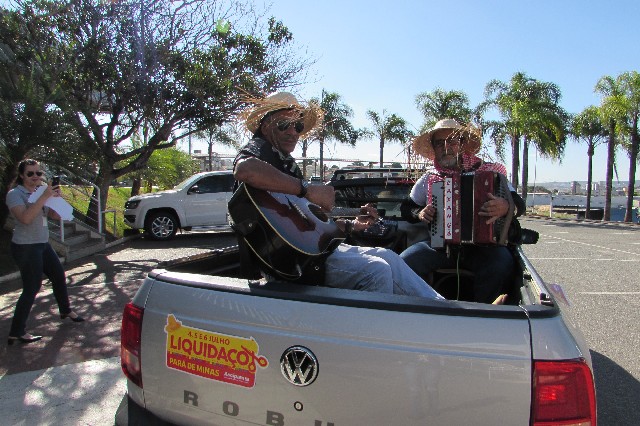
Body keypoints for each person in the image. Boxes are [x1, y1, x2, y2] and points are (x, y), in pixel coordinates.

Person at [232, 92, 443, 299]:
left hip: (311, 253)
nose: (293, 132)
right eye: (283, 124)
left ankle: (443, 311)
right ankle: (372, 333)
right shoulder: (258, 149)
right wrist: (308, 189)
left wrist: (352, 225)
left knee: (388, 256)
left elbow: (310, 224)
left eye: (297, 126)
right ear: (266, 125)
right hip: (293, 263)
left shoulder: (286, 164)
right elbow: (246, 170)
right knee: (377, 271)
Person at [400, 119, 524, 304]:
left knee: (501, 263)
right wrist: (419, 213)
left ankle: (484, 313)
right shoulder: (429, 177)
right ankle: (423, 307)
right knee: (405, 261)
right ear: (434, 148)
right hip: (441, 248)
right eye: (439, 143)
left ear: (462, 144)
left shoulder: (491, 173)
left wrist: (506, 206)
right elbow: (406, 208)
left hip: (484, 249)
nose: (446, 147)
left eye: (451, 141)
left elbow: (519, 205)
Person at [5, 159, 84, 346]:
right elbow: (25, 218)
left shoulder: (41, 192)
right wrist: (43, 196)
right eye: (31, 174)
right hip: (26, 246)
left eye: (39, 174)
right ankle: (17, 331)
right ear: (22, 175)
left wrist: (56, 198)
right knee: (32, 287)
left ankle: (65, 310)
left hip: (42, 243)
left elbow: (55, 216)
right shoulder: (15, 194)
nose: (35, 177)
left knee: (58, 276)